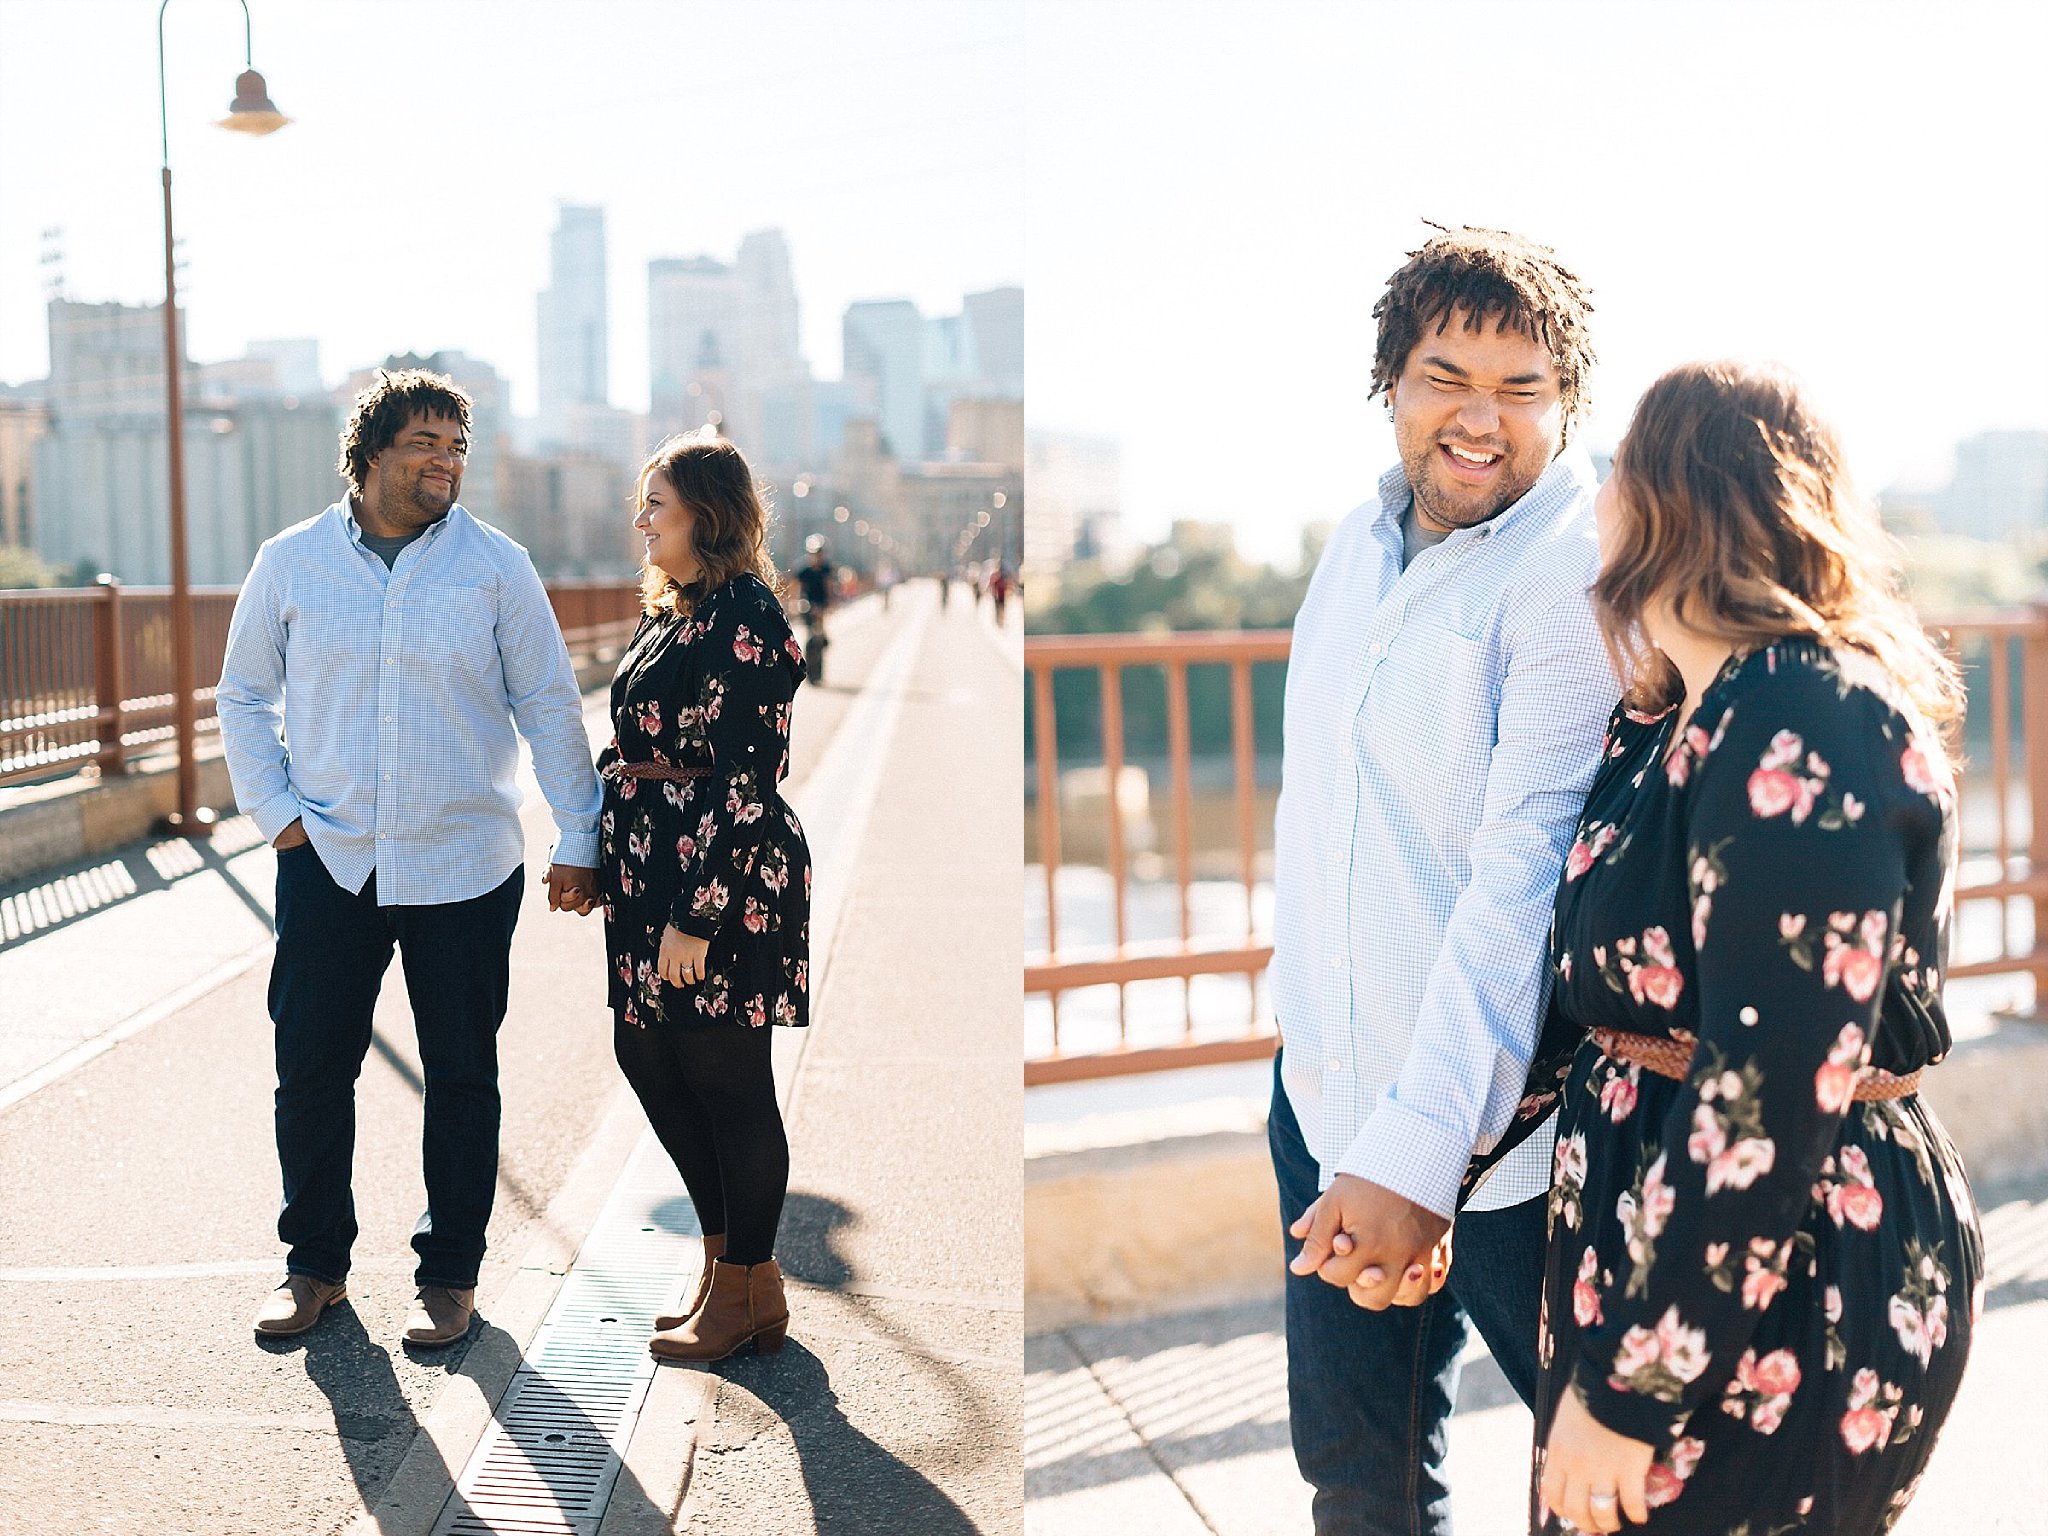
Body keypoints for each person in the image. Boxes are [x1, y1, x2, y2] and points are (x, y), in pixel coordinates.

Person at [1470, 361, 1981, 1535]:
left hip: (1784, 1275)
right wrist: (1429, 1176)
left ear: (1669, 502)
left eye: (1614, 476)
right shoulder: (1665, 721)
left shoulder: (1803, 713)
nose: (1589, 503)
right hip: (1656, 1261)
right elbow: (1597, 1005)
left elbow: (1764, 1099)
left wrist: (1632, 1390)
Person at [1271, 226, 1615, 1534]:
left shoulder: (1567, 567)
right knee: (1359, 1482)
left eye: (1521, 388)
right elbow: (1323, 811)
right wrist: (1302, 1024)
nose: (1480, 419)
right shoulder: (1353, 544)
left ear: (1565, 404)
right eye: (1444, 376)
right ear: (1390, 382)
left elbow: (1524, 871)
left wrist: (1419, 1164)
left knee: (1613, 1480)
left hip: (1511, 1145)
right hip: (1325, 1094)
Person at [217, 369, 603, 1348]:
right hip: (330, 859)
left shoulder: (494, 566)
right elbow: (241, 696)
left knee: (462, 1075)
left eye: (457, 445)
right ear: (373, 453)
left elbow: (549, 705)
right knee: (309, 1071)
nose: (446, 461)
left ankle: (451, 1278)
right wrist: (276, 817)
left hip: (465, 861)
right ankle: (313, 1268)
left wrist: (579, 833)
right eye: (427, 442)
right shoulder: (292, 561)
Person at [599, 433, 811, 1362]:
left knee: (728, 1082)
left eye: (659, 505)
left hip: (719, 876)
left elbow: (746, 780)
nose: (641, 518)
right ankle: (741, 1279)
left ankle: (743, 1287)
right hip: (652, 868)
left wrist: (699, 914)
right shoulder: (675, 611)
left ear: (708, 519)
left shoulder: (745, 617)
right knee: (648, 1056)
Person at [793, 536, 835, 684]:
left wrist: (829, 605)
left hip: (821, 606)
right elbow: (798, 589)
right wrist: (798, 605)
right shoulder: (804, 570)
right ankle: (810, 673)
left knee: (820, 638)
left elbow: (829, 587)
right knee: (811, 638)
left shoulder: (826, 569)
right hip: (808, 607)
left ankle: (818, 673)